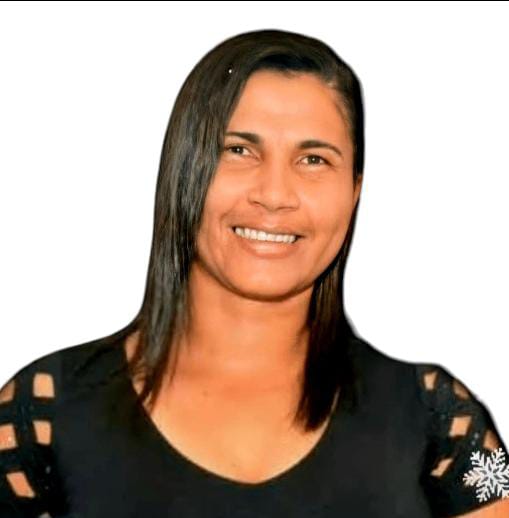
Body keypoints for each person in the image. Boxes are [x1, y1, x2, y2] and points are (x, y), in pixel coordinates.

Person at [0, 28, 507, 518]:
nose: (274, 194)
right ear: (183, 168)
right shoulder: (40, 415)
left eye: (314, 159)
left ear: (355, 190)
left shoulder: (440, 424)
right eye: (239, 150)